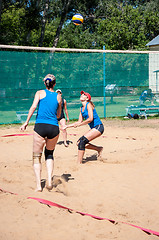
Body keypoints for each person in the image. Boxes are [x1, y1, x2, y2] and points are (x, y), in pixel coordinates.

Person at [20, 74, 62, 192]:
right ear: (54, 84)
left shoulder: (39, 93)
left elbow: (33, 107)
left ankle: (39, 186)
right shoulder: (59, 97)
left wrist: (26, 122)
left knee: (36, 156)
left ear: (45, 83)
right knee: (49, 154)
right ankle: (49, 180)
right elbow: (58, 115)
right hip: (54, 127)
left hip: (40, 126)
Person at [64, 91, 104, 164]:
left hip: (99, 127)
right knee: (79, 143)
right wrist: (67, 126)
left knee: (82, 142)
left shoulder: (89, 105)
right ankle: (99, 149)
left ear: (87, 98)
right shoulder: (81, 108)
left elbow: (90, 119)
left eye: (84, 95)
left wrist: (80, 124)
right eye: (81, 94)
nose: (82, 95)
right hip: (94, 128)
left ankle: (79, 163)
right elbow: (79, 121)